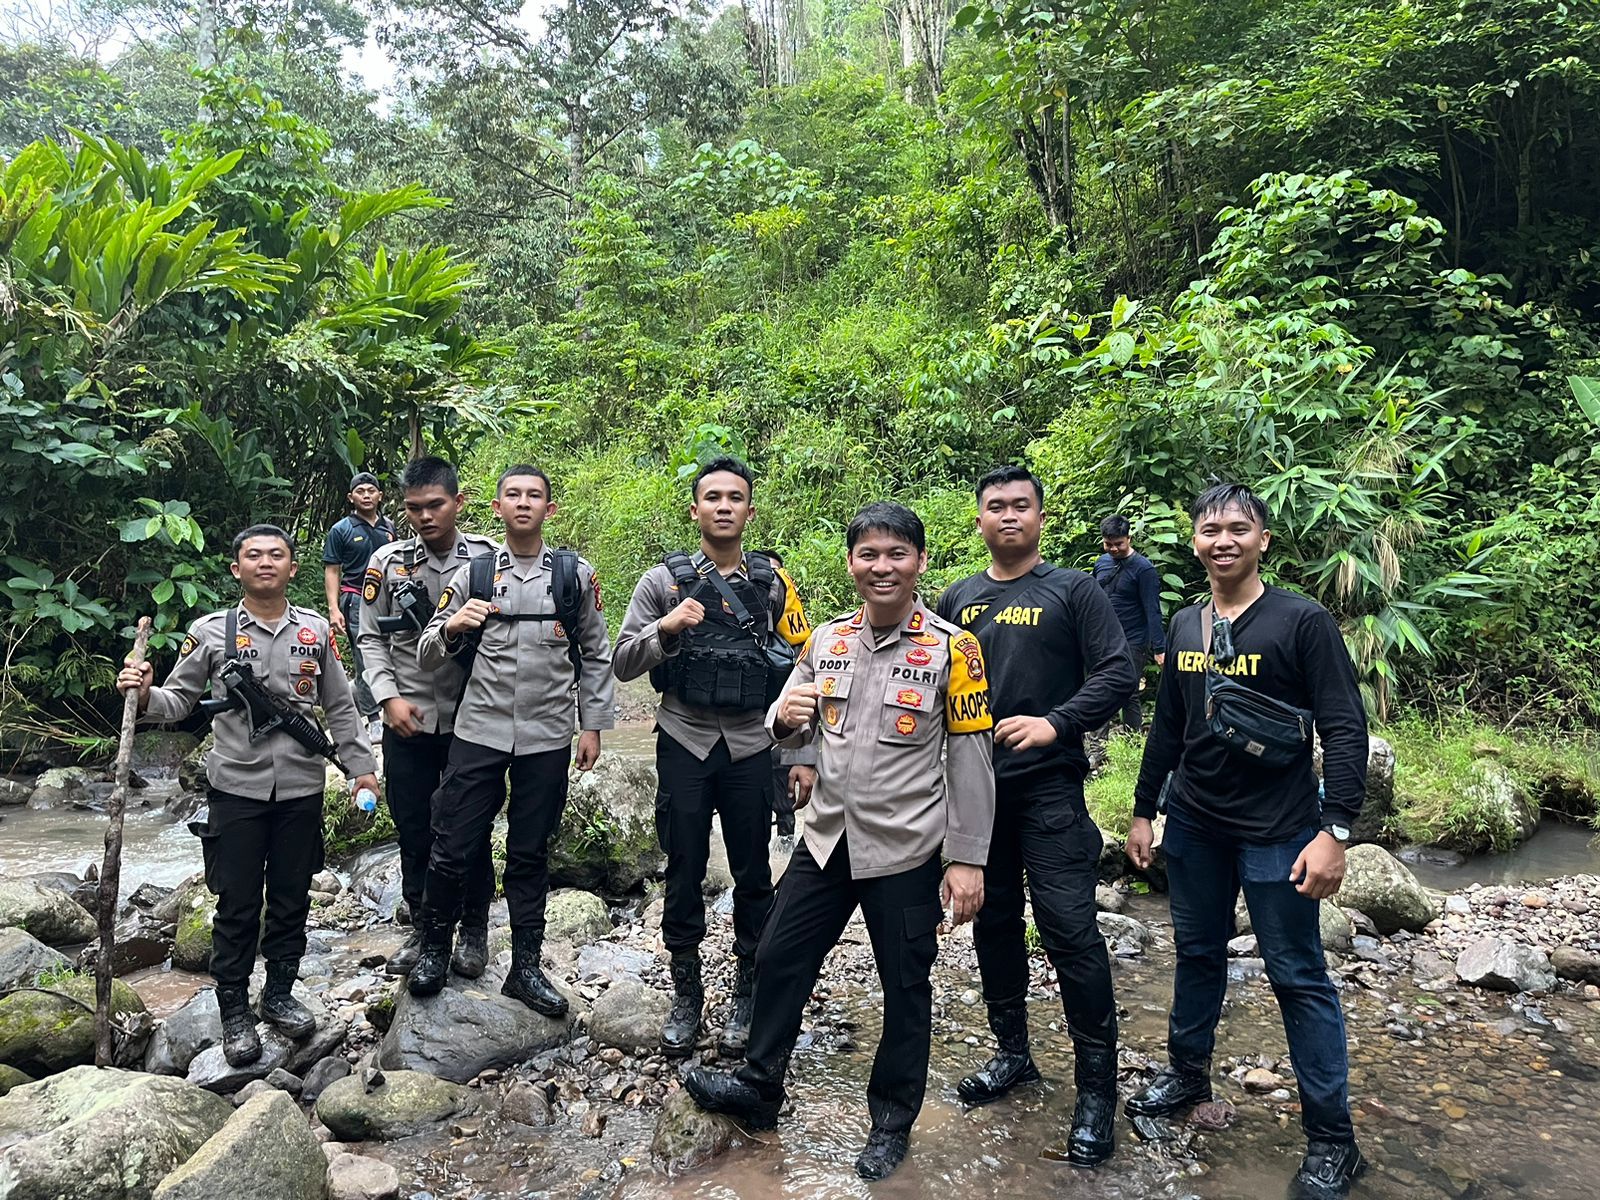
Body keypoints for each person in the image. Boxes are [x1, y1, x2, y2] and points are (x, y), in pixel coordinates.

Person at [683, 502, 996, 1182]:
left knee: (905, 987)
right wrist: (783, 722)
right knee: (777, 955)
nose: (882, 567)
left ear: (919, 562)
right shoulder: (826, 639)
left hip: (905, 849)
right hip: (827, 838)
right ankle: (760, 1086)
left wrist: (967, 858)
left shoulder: (954, 648)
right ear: (851, 563)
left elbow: (972, 760)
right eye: (868, 555)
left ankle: (891, 1122)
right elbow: (789, 721)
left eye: (897, 554)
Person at [1125, 482, 1369, 1200]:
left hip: (1279, 830)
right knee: (1197, 953)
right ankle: (1187, 1074)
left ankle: (1334, 1140)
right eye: (1210, 529)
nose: (1223, 540)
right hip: (1194, 825)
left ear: (1263, 539)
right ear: (1194, 541)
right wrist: (1143, 810)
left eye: (1238, 528)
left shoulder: (1301, 621)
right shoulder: (1185, 625)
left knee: (1297, 975)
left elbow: (1344, 726)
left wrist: (1336, 831)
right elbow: (1169, 726)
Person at [118, 525, 379, 1067]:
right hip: (235, 788)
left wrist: (362, 770)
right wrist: (142, 695)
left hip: (301, 788)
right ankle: (234, 1009)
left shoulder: (314, 630)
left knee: (291, 898)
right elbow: (177, 702)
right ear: (237, 569)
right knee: (237, 904)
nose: (265, 562)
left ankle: (279, 994)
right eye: (253, 555)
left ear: (292, 567)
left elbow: (340, 706)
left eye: (276, 555)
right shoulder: (211, 632)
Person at [936, 466, 1137, 1167]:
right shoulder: (958, 598)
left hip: (1050, 790)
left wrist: (1057, 722)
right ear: (979, 520)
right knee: (992, 924)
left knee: (1070, 932)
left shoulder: (1074, 590)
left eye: (1021, 505)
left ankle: (1096, 1092)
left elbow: (1118, 671)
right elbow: (927, 682)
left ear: (1041, 518)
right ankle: (1013, 1053)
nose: (1009, 516)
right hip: (976, 795)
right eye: (996, 506)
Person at [613, 459, 812, 1059]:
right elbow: (622, 660)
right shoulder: (662, 582)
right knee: (683, 867)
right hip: (684, 739)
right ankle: (686, 992)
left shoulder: (774, 584)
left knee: (753, 872)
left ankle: (748, 989)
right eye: (713, 497)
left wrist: (801, 754)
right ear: (695, 509)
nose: (724, 506)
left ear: (749, 510)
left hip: (753, 743)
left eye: (735, 498)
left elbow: (806, 667)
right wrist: (666, 629)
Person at [407, 465, 615, 1013]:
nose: (524, 503)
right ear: (497, 508)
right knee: (452, 844)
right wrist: (453, 625)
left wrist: (592, 725)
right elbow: (427, 652)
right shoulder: (473, 574)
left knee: (530, 851)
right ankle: (434, 950)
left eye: (535, 495)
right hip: (479, 729)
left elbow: (596, 653)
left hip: (548, 735)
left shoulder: (573, 576)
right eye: (513, 495)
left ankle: (525, 967)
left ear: (550, 509)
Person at [357, 456, 499, 976]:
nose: (425, 516)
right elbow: (369, 637)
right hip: (408, 718)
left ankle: (474, 931)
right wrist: (386, 698)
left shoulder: (488, 559)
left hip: (473, 720)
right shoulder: (387, 563)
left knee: (471, 829)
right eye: (414, 508)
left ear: (458, 502)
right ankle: (422, 927)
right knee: (414, 828)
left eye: (435, 505)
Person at [324, 471, 398, 735]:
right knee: (364, 654)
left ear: (380, 495)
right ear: (350, 497)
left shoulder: (389, 527)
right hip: (356, 598)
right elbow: (332, 570)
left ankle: (371, 698)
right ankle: (373, 717)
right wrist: (334, 609)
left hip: (387, 598)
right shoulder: (341, 529)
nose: (366, 496)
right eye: (360, 491)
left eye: (371, 491)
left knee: (392, 652)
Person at [1092, 514, 1166, 731]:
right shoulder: (1102, 563)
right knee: (1099, 687)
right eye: (1108, 544)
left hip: (1133, 639)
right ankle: (1097, 745)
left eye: (1118, 544)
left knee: (1128, 690)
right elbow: (1093, 598)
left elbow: (1152, 610)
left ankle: (1131, 739)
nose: (1113, 549)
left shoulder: (1144, 569)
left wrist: (1159, 648)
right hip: (1103, 637)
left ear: (1129, 539)